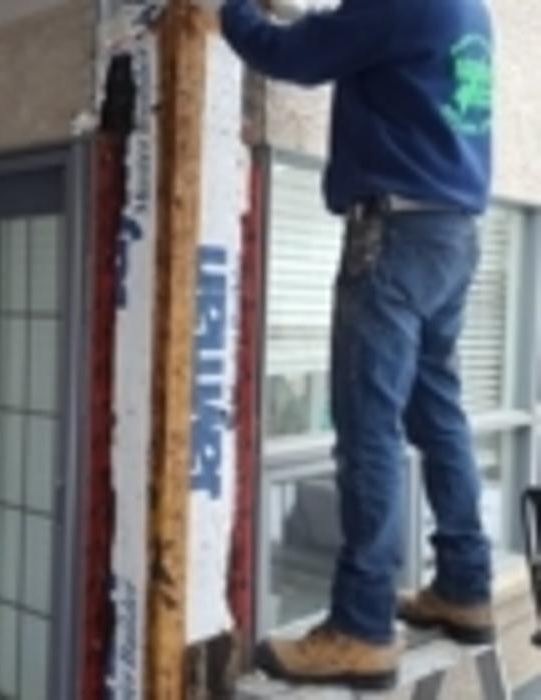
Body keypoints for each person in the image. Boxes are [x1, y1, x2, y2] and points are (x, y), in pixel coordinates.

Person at [211, 0, 495, 690]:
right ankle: (464, 586)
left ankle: (362, 628)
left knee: (369, 429)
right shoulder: (470, 10)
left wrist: (229, 11)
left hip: (393, 236)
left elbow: (293, 55)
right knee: (438, 415)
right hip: (451, 236)